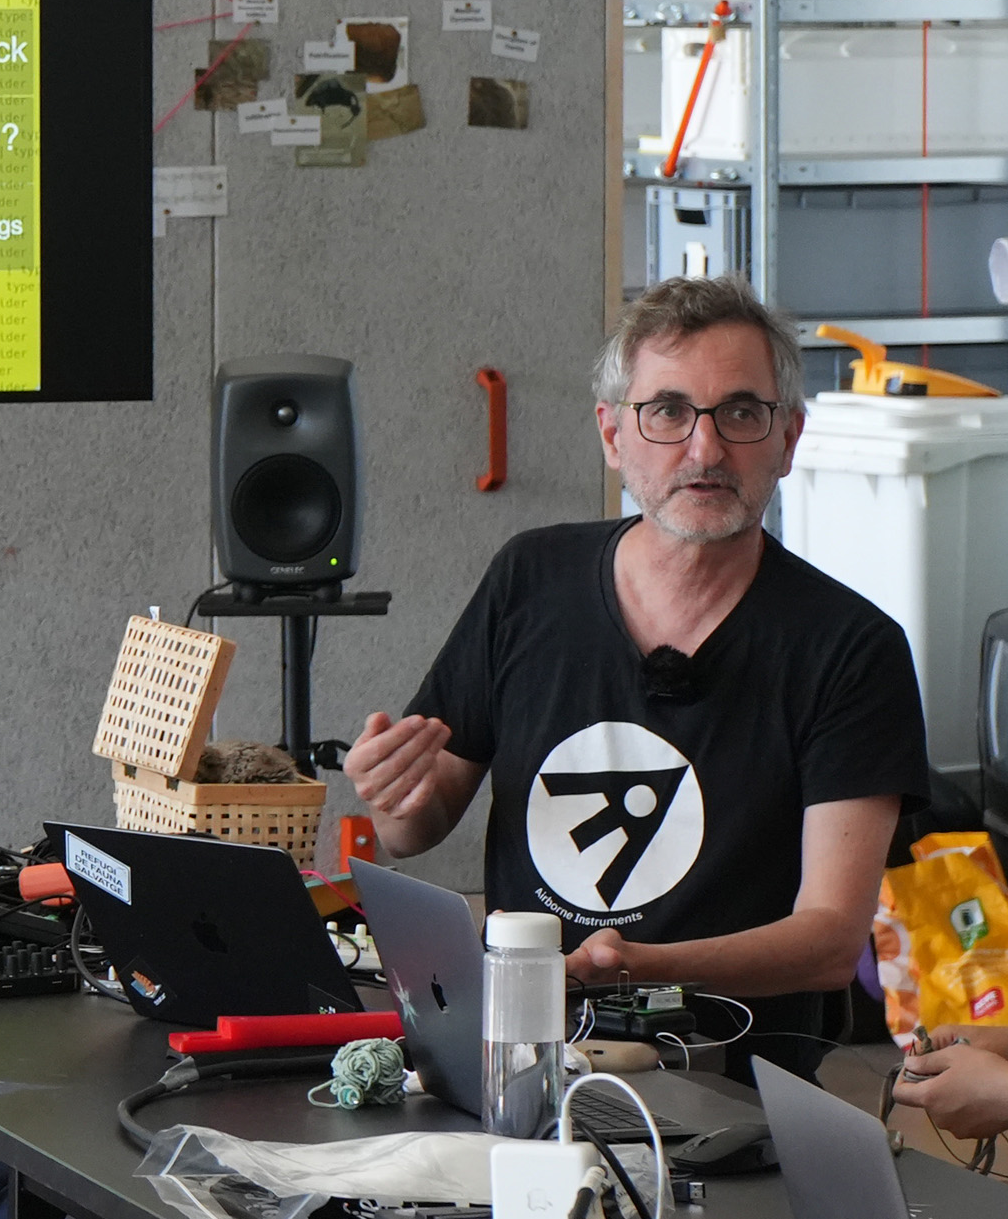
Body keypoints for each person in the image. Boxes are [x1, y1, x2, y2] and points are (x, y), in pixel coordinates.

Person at [343, 275, 929, 1061]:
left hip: (732, 1085)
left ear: (788, 438)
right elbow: (411, 829)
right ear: (613, 433)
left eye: (740, 413)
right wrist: (391, 793)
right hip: (522, 1056)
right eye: (667, 411)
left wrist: (634, 967)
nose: (705, 448)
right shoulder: (528, 579)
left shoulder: (851, 648)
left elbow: (829, 941)